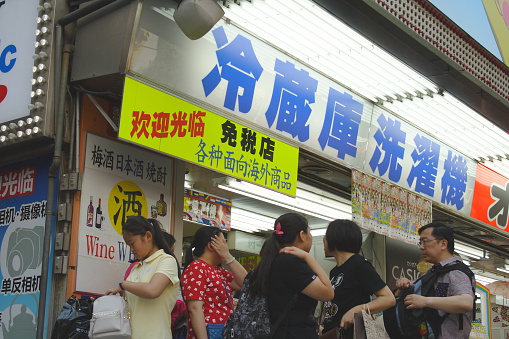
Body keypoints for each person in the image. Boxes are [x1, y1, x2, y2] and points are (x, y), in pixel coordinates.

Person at [248, 212, 334, 339]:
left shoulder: (272, 260)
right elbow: (328, 293)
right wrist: (308, 258)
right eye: (309, 232)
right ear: (302, 235)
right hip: (294, 333)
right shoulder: (291, 262)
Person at [395, 222, 476, 338]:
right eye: (420, 242)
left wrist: (425, 301)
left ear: (443, 244)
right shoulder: (433, 272)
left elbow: (466, 302)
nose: (421, 247)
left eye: (425, 241)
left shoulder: (456, 272)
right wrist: (404, 287)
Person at [105, 216, 180, 339]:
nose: (132, 250)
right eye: (129, 245)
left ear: (148, 236)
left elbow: (152, 290)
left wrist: (123, 285)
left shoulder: (166, 261)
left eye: (132, 243)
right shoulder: (136, 268)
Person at [320, 219, 395, 339]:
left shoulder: (359, 265)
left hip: (352, 334)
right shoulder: (334, 271)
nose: (324, 239)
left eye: (326, 234)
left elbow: (388, 298)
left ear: (335, 237)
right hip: (333, 334)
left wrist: (358, 310)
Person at [181, 226, 247, 339]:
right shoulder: (196, 268)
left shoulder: (218, 270)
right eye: (224, 243)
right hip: (209, 333)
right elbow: (194, 309)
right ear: (211, 246)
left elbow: (245, 283)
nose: (226, 247)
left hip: (224, 331)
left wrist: (228, 257)